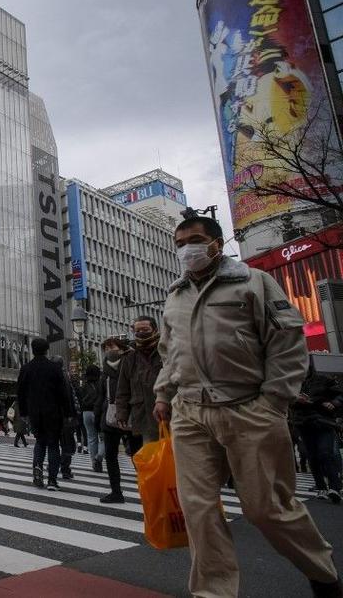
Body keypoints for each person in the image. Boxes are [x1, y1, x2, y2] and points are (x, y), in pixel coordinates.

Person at [152, 216, 341, 597]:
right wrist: (163, 394)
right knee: (198, 509)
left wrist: (274, 401)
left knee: (266, 508)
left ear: (217, 243)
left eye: (195, 240)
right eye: (180, 243)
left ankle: (322, 573)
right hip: (190, 411)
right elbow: (170, 352)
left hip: (249, 409)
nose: (187, 249)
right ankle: (213, 592)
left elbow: (286, 343)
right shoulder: (175, 295)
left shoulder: (254, 282)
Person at [17, 338, 70, 491]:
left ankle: (37, 470)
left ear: (32, 350)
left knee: (40, 442)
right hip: (53, 411)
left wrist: (24, 412)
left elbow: (20, 392)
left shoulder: (26, 368)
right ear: (47, 350)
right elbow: (63, 392)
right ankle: (52, 480)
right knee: (53, 444)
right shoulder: (54, 368)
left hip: (34, 412)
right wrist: (68, 412)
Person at [94, 336, 139, 503]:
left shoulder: (132, 364)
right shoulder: (105, 370)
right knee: (111, 455)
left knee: (138, 455)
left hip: (131, 414)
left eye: (112, 347)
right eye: (106, 348)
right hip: (111, 416)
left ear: (122, 349)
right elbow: (101, 396)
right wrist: (98, 417)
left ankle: (147, 488)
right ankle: (116, 491)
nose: (109, 351)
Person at [293, 363, 343, 503]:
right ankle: (321, 487)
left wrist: (334, 403)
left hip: (323, 422)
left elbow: (340, 393)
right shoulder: (293, 383)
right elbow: (286, 402)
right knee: (312, 456)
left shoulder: (323, 379)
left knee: (325, 453)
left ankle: (335, 487)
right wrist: (296, 399)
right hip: (303, 423)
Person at [115, 316, 162, 445]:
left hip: (170, 412)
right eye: (138, 331)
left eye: (145, 330)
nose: (141, 333)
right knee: (152, 453)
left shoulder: (165, 350)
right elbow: (123, 389)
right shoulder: (130, 357)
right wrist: (121, 413)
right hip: (144, 416)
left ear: (155, 329)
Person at [78, 365, 102, 472]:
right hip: (98, 412)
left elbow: (80, 400)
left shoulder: (83, 386)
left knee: (91, 438)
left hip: (86, 413)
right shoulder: (100, 385)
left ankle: (94, 463)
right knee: (103, 437)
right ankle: (98, 457)